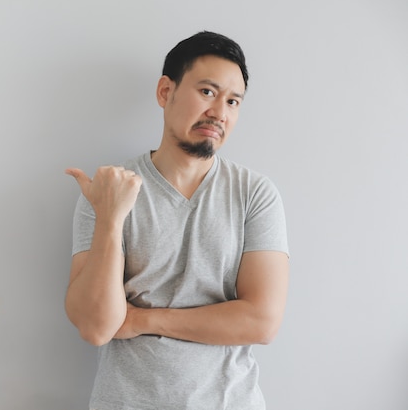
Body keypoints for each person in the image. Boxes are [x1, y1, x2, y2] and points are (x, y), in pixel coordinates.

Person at [65, 31, 289, 410]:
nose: (220, 112)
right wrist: (110, 218)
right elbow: (96, 326)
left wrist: (142, 321)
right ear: (165, 92)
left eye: (233, 101)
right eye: (207, 92)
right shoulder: (110, 191)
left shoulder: (254, 193)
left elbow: (261, 321)